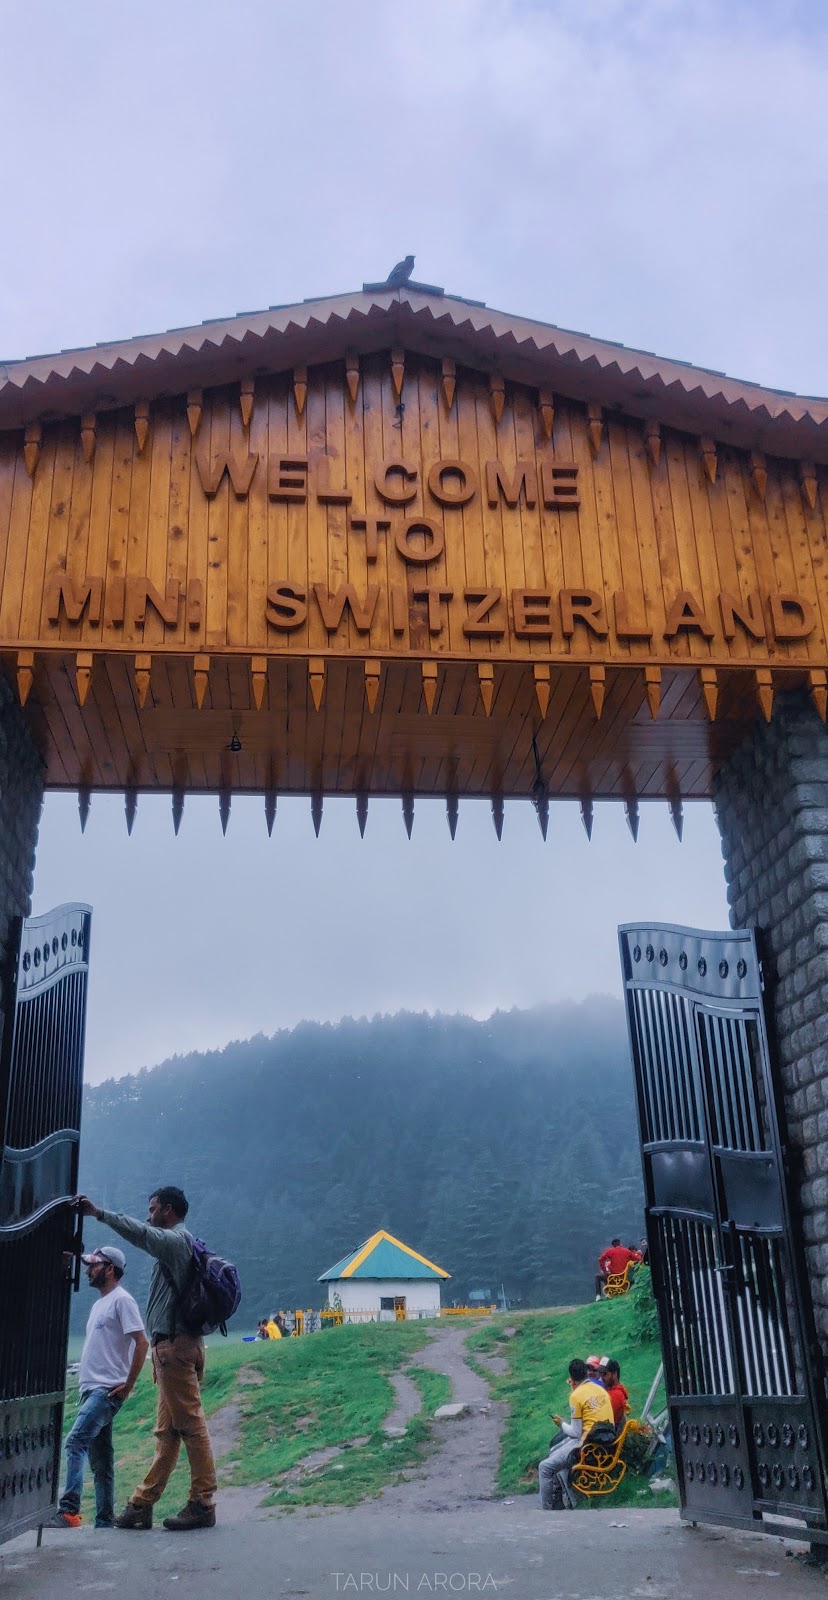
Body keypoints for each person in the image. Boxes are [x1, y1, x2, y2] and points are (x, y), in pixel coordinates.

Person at [72, 1186, 218, 1531]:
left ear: (168, 1211)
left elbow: (139, 1233)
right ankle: (142, 1504)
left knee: (192, 1426)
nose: (149, 1215)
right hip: (173, 1349)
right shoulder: (180, 1245)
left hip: (175, 1348)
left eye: (153, 1209)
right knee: (167, 1432)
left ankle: (203, 1502)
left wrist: (99, 1214)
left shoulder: (174, 1241)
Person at [51, 1246, 148, 1530]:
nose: (88, 1269)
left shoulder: (122, 1301)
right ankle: (105, 1522)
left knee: (75, 1441)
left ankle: (69, 1512)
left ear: (110, 1269)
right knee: (102, 1462)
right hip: (91, 1390)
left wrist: (128, 1385)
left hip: (106, 1391)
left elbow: (142, 1342)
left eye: (94, 1265)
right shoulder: (99, 1304)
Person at [538, 1358, 615, 1510]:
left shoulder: (576, 1395)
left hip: (587, 1445)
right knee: (559, 1456)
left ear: (572, 1378)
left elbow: (575, 1432)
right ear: (587, 1373)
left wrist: (561, 1423)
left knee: (545, 1467)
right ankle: (573, 1501)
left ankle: (546, 1510)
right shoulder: (600, 1389)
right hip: (606, 1439)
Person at [601, 1359, 630, 1432]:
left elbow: (604, 1420)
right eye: (601, 1374)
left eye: (604, 1374)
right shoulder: (612, 1390)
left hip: (609, 1436)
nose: (602, 1378)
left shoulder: (616, 1395)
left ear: (614, 1374)